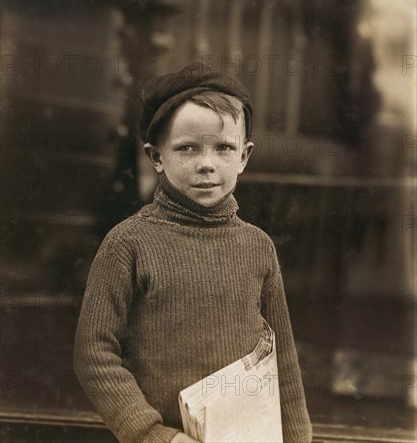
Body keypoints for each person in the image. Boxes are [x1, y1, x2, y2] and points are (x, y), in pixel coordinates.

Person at [74, 62, 312, 443]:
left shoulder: (258, 246)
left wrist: (298, 437)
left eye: (223, 148)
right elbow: (95, 354)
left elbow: (281, 357)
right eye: (187, 148)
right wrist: (153, 434)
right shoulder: (128, 244)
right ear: (157, 157)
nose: (207, 163)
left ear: (244, 156)